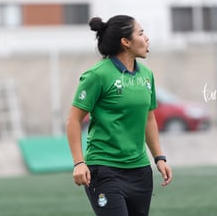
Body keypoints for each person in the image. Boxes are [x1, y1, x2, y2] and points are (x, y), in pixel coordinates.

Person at [66, 15, 173, 216]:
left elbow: (149, 118)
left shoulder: (147, 75)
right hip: (104, 170)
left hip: (140, 171)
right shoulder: (97, 75)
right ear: (125, 42)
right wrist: (79, 162)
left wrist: (159, 157)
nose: (147, 38)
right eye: (141, 33)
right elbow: (74, 120)